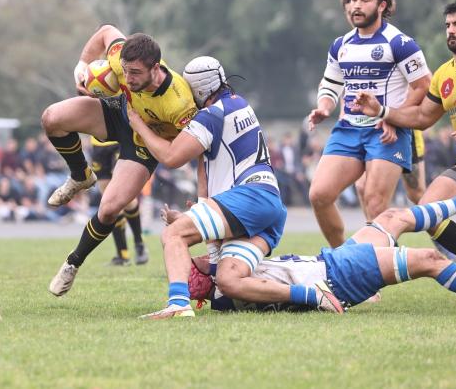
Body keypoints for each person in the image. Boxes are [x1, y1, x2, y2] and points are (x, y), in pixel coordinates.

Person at [43, 25, 197, 296]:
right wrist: (82, 66)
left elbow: (178, 155)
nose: (128, 77)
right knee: (52, 118)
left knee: (109, 208)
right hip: (119, 113)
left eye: (135, 73)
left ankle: (72, 263)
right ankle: (80, 175)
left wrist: (142, 128)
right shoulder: (121, 58)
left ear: (155, 68)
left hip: (145, 145)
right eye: (125, 70)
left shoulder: (180, 103)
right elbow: (105, 31)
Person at [128, 56, 287, 319]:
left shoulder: (210, 116)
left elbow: (171, 157)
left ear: (199, 90)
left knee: (174, 235)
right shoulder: (240, 103)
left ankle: (178, 304)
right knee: (225, 290)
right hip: (268, 203)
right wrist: (201, 208)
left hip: (249, 197)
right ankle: (310, 294)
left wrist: (140, 126)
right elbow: (208, 161)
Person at [185, 191, 456, 314]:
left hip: (331, 262)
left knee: (393, 217)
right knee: (431, 261)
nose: (195, 256)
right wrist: (314, 297)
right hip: (339, 277)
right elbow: (232, 239)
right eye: (193, 261)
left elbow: (219, 236)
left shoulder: (226, 273)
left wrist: (188, 216)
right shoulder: (228, 281)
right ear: (205, 273)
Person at [308, 0, 431, 247]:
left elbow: (423, 85)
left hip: (385, 131)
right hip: (349, 129)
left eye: (365, 0)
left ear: (383, 6)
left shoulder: (399, 43)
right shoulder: (341, 45)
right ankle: (344, 260)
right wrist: (324, 107)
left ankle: (372, 276)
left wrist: (392, 116)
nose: (356, 6)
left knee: (376, 203)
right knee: (319, 194)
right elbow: (330, 83)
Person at [353, 0, 456, 260]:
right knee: (427, 210)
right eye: (448, 25)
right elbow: (423, 116)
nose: (451, 30)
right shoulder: (443, 75)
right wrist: (383, 111)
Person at [89, 136, 148, 266]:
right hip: (98, 144)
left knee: (124, 196)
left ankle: (139, 244)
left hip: (119, 140)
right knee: (109, 202)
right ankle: (123, 255)